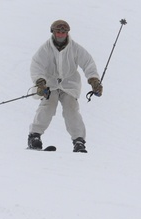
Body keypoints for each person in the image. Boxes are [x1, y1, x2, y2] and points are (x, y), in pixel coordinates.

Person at [28, 19, 102, 153]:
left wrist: (94, 80)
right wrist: (40, 82)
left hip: (69, 84)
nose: (61, 34)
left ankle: (79, 141)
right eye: (58, 32)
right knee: (48, 106)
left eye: (64, 32)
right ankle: (34, 136)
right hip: (49, 85)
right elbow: (37, 66)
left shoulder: (75, 48)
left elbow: (88, 63)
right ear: (53, 32)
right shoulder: (45, 49)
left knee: (71, 109)